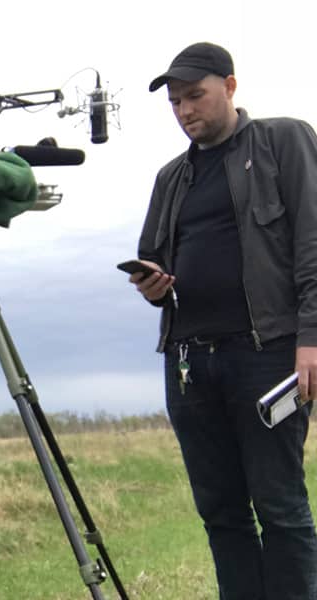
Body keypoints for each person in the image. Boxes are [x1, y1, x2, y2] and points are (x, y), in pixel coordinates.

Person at [132, 41, 317, 598]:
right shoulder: (170, 178)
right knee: (220, 512)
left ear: (230, 87)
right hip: (189, 363)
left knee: (280, 507)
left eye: (196, 96)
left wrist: (311, 339)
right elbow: (154, 260)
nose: (185, 110)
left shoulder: (285, 140)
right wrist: (152, 285)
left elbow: (312, 244)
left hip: (266, 356)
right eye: (175, 102)